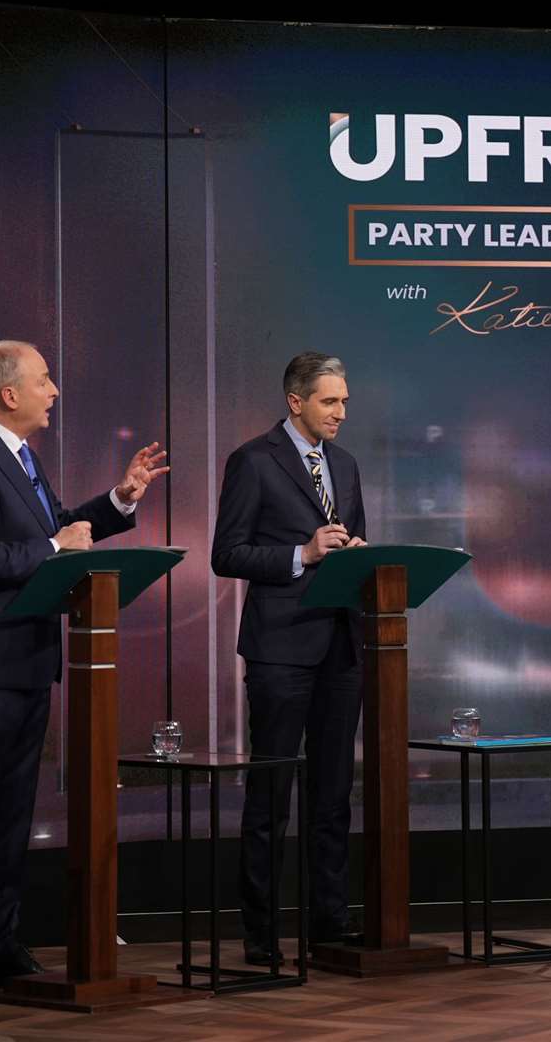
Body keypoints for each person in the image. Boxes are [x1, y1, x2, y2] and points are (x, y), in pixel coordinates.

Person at [0, 340, 168, 1002]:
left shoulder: (21, 459)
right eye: (44, 380)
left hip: (28, 661)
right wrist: (56, 544)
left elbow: (58, 530)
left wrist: (117, 501)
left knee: (13, 815)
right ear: (9, 394)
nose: (54, 391)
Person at [211, 351, 367, 963]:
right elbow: (228, 553)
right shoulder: (254, 461)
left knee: (333, 795)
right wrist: (302, 553)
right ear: (296, 402)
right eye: (330, 402)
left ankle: (328, 922)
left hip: (341, 645)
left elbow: (352, 546)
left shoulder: (347, 466)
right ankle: (260, 933)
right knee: (271, 793)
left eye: (345, 402)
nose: (340, 413)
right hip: (280, 648)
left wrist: (355, 552)